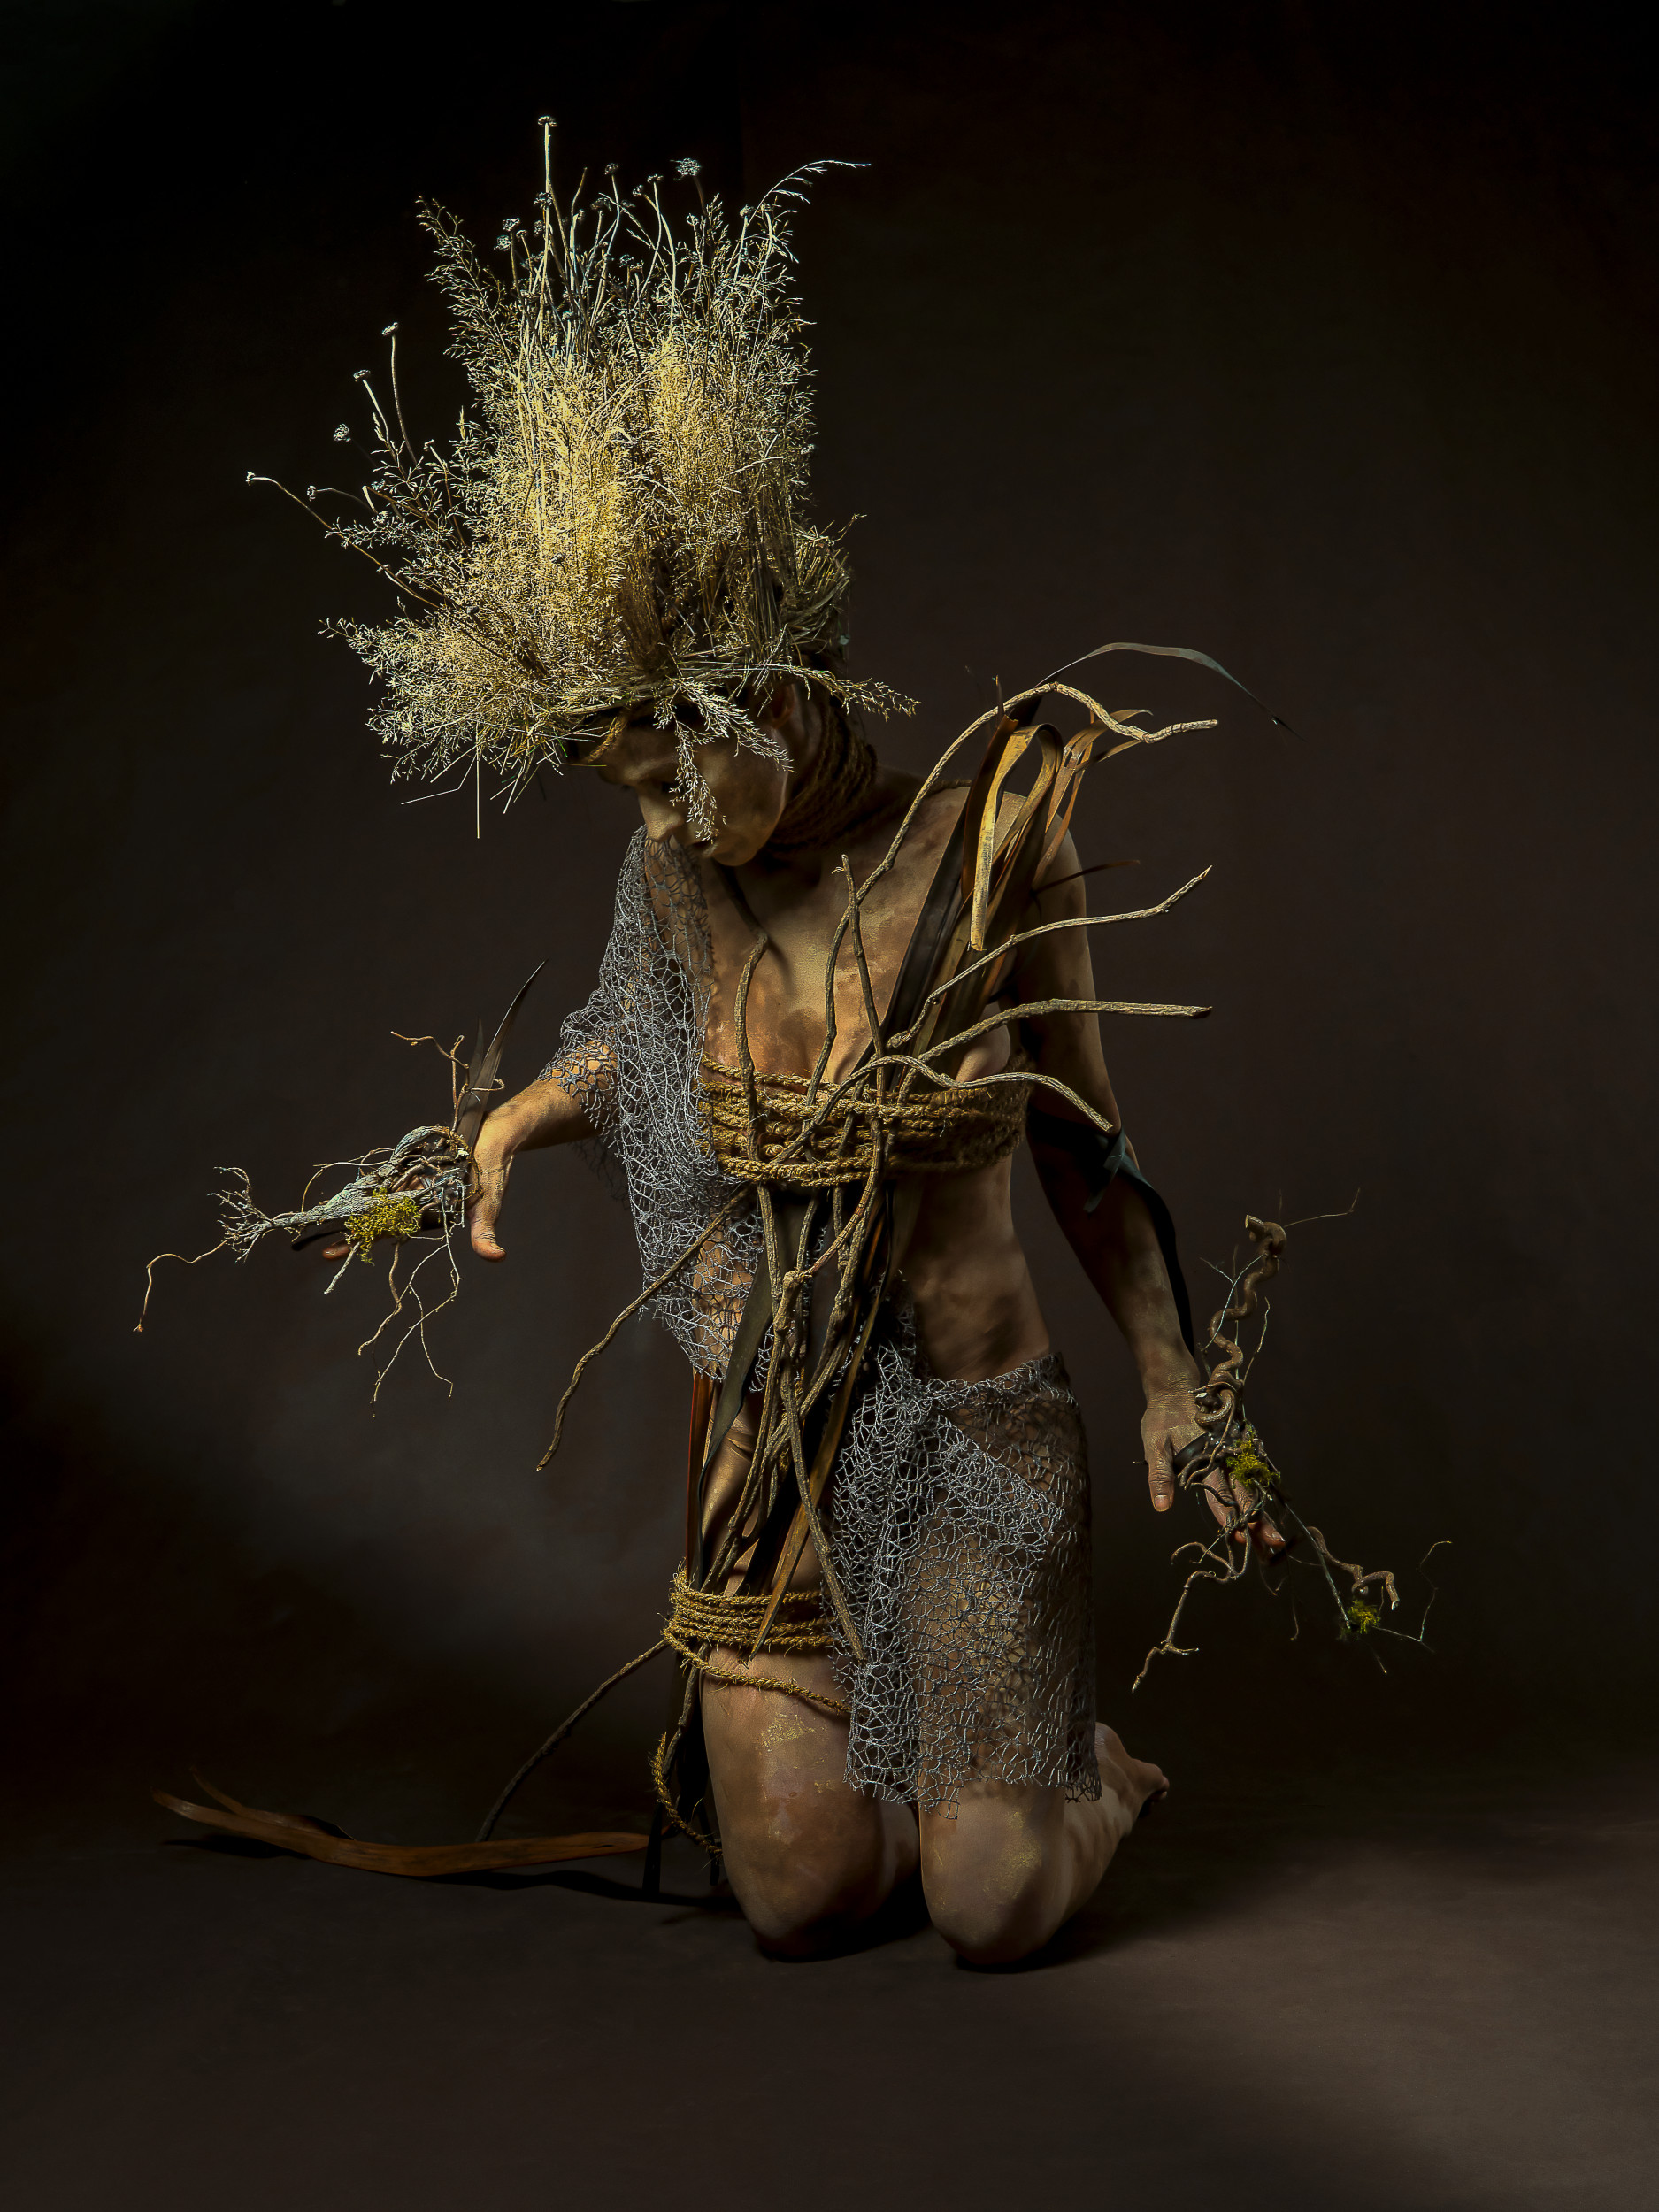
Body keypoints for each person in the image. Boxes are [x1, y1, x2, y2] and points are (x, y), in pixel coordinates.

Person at [457, 676, 1278, 1964]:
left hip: (973, 1424)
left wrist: (1174, 1380)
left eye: (672, 782)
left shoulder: (996, 849)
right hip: (782, 1437)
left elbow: (1084, 1140)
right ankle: (930, 1789)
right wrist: (514, 1117)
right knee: (802, 1896)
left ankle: (1094, 1777)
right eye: (634, 795)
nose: (661, 823)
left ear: (772, 705)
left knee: (993, 1909)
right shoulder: (678, 879)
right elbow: (635, 1037)